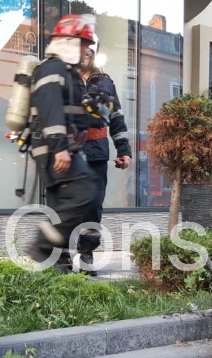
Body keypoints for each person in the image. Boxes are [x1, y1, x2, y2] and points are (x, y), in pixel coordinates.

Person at [24, 14, 100, 273]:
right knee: (86, 189)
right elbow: (51, 109)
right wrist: (60, 148)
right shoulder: (52, 69)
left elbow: (71, 112)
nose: (87, 49)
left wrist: (83, 128)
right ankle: (43, 244)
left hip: (59, 148)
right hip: (54, 149)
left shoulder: (66, 73)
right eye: (84, 43)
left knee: (60, 206)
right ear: (69, 41)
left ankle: (58, 265)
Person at [77, 40, 132, 275]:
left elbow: (116, 117)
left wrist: (124, 151)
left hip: (96, 154)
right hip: (68, 152)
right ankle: (62, 256)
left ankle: (86, 253)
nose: (86, 53)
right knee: (66, 206)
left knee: (92, 205)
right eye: (82, 49)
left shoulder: (105, 82)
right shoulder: (64, 79)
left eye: (91, 50)